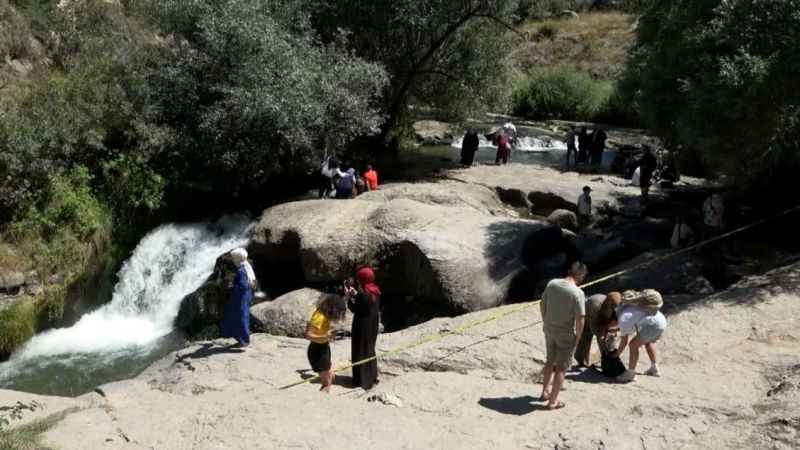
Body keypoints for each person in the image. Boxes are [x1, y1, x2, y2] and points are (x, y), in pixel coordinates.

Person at [539, 262, 588, 410]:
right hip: (565, 333)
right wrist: (578, 337)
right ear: (581, 276)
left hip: (549, 329)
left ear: (569, 271)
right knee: (561, 368)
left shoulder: (552, 283)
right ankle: (553, 402)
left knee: (549, 361)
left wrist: (546, 321)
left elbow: (542, 304)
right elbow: (580, 319)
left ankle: (544, 392)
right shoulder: (577, 293)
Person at [612, 290, 667, 382]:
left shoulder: (623, 318)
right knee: (648, 342)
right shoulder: (634, 307)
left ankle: (630, 374)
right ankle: (654, 368)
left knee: (633, 345)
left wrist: (615, 355)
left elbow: (624, 342)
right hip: (661, 321)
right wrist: (619, 329)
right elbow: (634, 322)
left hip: (653, 326)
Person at [346, 267, 381, 390]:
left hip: (362, 326)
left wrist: (349, 297)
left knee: (360, 350)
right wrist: (356, 294)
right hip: (372, 325)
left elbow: (355, 308)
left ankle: (361, 380)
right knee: (369, 349)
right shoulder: (375, 291)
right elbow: (366, 302)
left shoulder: (363, 295)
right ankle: (372, 376)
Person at [305, 294, 347, 393]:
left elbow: (322, 329)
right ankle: (326, 385)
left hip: (324, 345)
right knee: (322, 370)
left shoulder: (324, 314)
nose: (338, 315)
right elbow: (308, 335)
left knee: (326, 367)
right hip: (316, 348)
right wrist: (326, 336)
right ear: (331, 308)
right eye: (338, 312)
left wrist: (329, 333)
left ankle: (328, 376)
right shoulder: (318, 317)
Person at [574, 291, 622, 367]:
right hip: (589, 315)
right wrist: (601, 336)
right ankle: (580, 359)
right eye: (613, 307)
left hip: (602, 316)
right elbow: (595, 328)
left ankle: (609, 360)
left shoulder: (616, 307)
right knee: (586, 336)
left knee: (610, 338)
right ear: (609, 304)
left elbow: (615, 320)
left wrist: (612, 330)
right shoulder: (595, 305)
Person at [220, 248, 256, 347]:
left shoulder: (241, 270)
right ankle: (241, 339)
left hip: (241, 297)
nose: (232, 260)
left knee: (241, 317)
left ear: (237, 259)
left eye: (233, 258)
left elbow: (243, 286)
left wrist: (232, 287)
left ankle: (244, 340)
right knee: (241, 316)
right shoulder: (246, 266)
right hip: (245, 296)